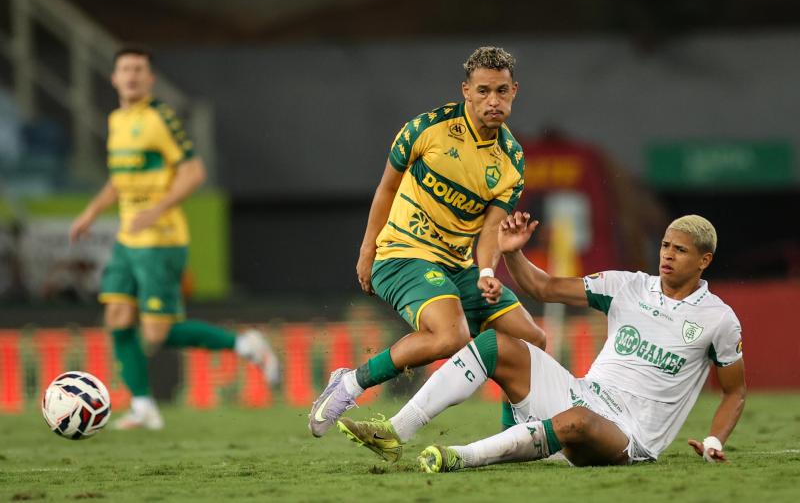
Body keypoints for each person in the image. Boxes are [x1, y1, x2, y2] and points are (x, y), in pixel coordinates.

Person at [337, 213, 746, 470]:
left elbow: (735, 392)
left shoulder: (718, 319)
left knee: (578, 422)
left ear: (704, 260)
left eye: (680, 250)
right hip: (585, 393)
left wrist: (713, 439)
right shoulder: (629, 286)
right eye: (664, 246)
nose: (667, 255)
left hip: (629, 434)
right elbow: (544, 286)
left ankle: (461, 456)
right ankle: (396, 431)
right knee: (497, 342)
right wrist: (513, 254)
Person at [308, 47, 546, 438]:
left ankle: (513, 434)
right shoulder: (427, 129)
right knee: (452, 336)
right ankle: (349, 384)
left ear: (514, 92)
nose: (493, 101)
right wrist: (368, 249)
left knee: (532, 339)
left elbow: (490, 231)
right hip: (402, 253)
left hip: (457, 265)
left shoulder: (511, 160)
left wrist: (487, 271)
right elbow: (386, 188)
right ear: (465, 90)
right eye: (484, 91)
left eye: (502, 91)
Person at [69, 46, 279, 430]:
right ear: (114, 78)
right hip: (128, 239)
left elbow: (194, 172)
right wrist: (91, 212)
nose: (131, 75)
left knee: (157, 332)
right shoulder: (117, 121)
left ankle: (245, 344)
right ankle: (144, 406)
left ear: (150, 79)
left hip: (161, 240)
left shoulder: (160, 119)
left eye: (139, 70)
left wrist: (157, 208)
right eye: (125, 69)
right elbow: (121, 177)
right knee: (116, 314)